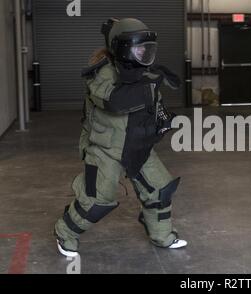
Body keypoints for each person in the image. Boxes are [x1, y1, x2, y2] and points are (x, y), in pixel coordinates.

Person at [54, 17, 187, 257]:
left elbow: (152, 106)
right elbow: (116, 102)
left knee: (160, 189)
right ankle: (65, 232)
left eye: (147, 49)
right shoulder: (102, 73)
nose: (144, 54)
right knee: (97, 200)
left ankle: (162, 236)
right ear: (122, 47)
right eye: (139, 49)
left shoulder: (143, 73)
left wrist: (161, 120)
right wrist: (152, 85)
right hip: (105, 149)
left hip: (137, 145)